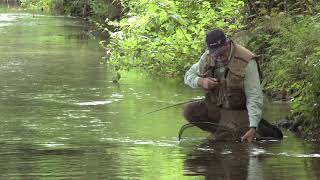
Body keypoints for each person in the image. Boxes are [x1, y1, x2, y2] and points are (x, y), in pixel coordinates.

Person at [183, 29, 264, 142]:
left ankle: (236, 131)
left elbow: (254, 96)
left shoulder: (246, 61)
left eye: (222, 52)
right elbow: (188, 76)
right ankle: (221, 132)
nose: (219, 57)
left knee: (239, 145)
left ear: (227, 43)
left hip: (239, 112)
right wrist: (201, 81)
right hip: (218, 109)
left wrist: (253, 127)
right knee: (190, 110)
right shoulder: (207, 57)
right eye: (215, 54)